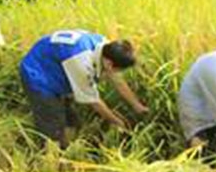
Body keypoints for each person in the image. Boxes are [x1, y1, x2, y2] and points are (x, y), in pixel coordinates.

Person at [19, 30, 148, 149]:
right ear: (109, 64)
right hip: (37, 72)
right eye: (118, 70)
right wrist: (118, 122)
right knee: (53, 124)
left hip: (57, 65)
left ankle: (67, 148)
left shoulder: (106, 46)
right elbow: (94, 101)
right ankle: (51, 155)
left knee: (72, 122)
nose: (117, 73)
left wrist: (137, 106)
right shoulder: (82, 63)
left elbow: (117, 80)